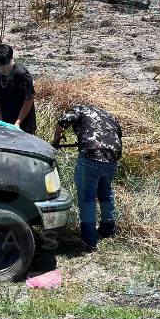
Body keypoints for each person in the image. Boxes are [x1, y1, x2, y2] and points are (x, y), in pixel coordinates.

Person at [52, 104, 123, 250]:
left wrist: (56, 140)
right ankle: (108, 230)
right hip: (112, 158)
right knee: (106, 193)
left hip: (91, 156)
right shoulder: (107, 114)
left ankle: (89, 240)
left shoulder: (78, 108)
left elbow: (63, 121)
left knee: (87, 198)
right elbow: (117, 134)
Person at [0, 44, 37, 134]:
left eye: (7, 64)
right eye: (0, 65)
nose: (4, 69)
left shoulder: (22, 74)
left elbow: (29, 99)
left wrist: (17, 123)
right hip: (6, 121)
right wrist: (0, 122)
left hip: (23, 123)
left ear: (12, 58)